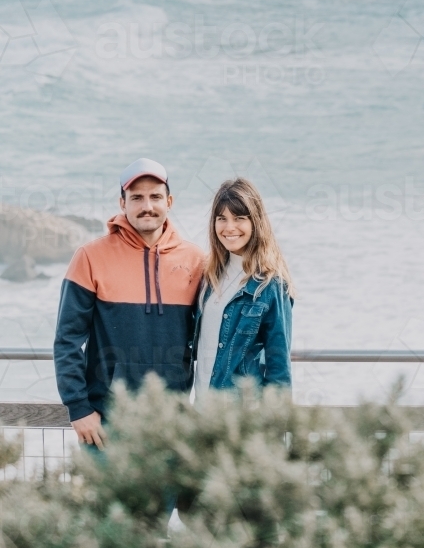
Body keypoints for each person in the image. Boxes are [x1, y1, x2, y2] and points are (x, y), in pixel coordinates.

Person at [53, 158, 205, 449]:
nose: (147, 205)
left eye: (155, 196)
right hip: (106, 422)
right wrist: (79, 408)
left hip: (173, 422)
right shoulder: (90, 257)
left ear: (169, 201)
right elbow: (67, 340)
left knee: (168, 498)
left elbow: (210, 340)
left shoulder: (196, 260)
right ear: (122, 203)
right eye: (137, 197)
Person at [194, 177, 294, 396]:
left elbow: (279, 369)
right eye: (222, 218)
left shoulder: (271, 285)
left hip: (242, 417)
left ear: (255, 222)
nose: (229, 227)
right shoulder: (209, 275)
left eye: (239, 218)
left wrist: (274, 425)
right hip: (202, 415)